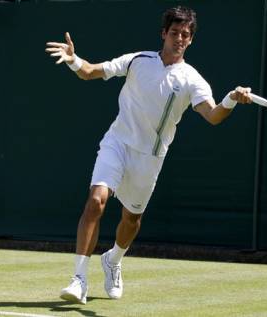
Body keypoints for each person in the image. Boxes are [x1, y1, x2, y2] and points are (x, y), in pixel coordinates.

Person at [45, 6, 252, 304]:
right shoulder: (137, 61)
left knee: (131, 220)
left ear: (191, 40)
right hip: (117, 143)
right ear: (164, 34)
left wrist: (231, 99)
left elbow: (213, 115)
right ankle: (79, 279)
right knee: (96, 200)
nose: (179, 38)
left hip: (150, 157)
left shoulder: (192, 79)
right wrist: (74, 59)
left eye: (185, 35)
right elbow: (89, 72)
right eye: (175, 33)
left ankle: (113, 260)